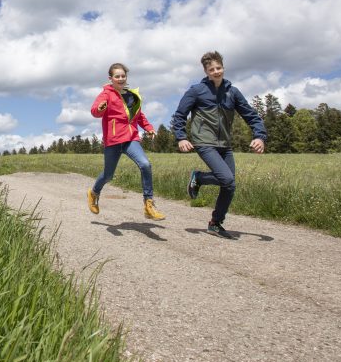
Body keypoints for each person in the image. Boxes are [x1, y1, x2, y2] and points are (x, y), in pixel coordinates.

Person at [171, 50, 266, 239]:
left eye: (219, 68)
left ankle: (215, 223)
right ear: (206, 71)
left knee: (229, 185)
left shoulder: (232, 92)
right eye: (211, 69)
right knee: (227, 179)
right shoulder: (196, 91)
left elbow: (251, 115)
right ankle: (199, 177)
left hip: (224, 144)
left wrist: (260, 136)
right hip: (204, 141)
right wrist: (181, 137)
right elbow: (179, 115)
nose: (216, 71)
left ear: (223, 67)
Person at [87, 62, 165, 220]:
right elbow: (95, 111)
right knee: (108, 176)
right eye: (117, 76)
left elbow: (139, 116)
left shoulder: (132, 96)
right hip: (113, 140)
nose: (121, 78)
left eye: (123, 76)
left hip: (131, 139)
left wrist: (149, 128)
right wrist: (101, 108)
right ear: (111, 78)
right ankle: (94, 192)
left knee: (145, 164)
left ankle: (148, 204)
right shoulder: (106, 94)